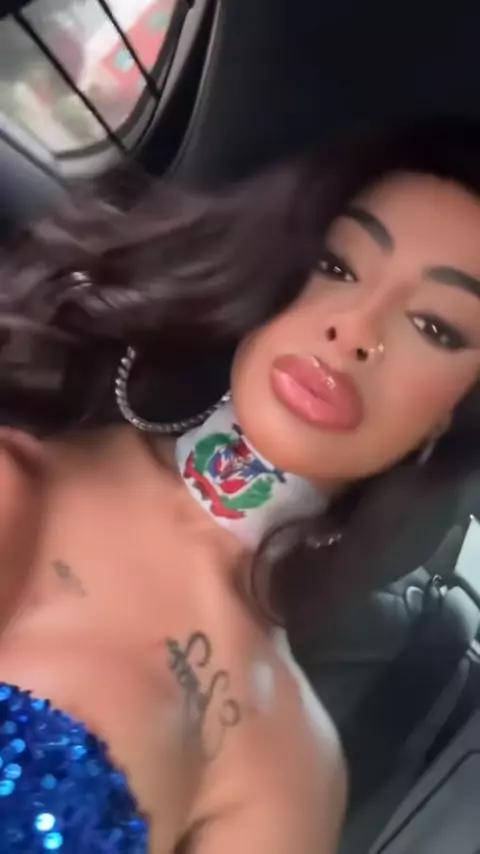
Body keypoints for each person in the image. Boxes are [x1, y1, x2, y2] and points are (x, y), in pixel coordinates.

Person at [0, 119, 480, 853]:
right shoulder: (34, 388)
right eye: (337, 266)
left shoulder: (283, 770)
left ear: (452, 412)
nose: (356, 329)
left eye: (436, 327)